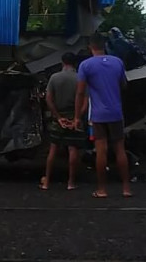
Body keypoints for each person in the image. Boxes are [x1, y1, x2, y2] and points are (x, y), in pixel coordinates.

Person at [74, 33, 132, 199]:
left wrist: (77, 116)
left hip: (98, 115)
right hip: (116, 113)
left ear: (90, 46)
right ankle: (126, 189)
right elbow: (124, 85)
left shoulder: (85, 65)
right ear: (105, 45)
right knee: (120, 149)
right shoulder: (117, 62)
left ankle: (102, 189)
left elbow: (80, 92)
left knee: (101, 151)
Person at [39, 52, 86, 190]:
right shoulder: (80, 78)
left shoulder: (54, 78)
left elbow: (48, 99)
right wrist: (77, 118)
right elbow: (85, 102)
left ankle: (47, 181)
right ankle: (71, 183)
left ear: (62, 62)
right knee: (72, 149)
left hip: (59, 117)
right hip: (74, 115)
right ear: (75, 63)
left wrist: (58, 117)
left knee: (53, 149)